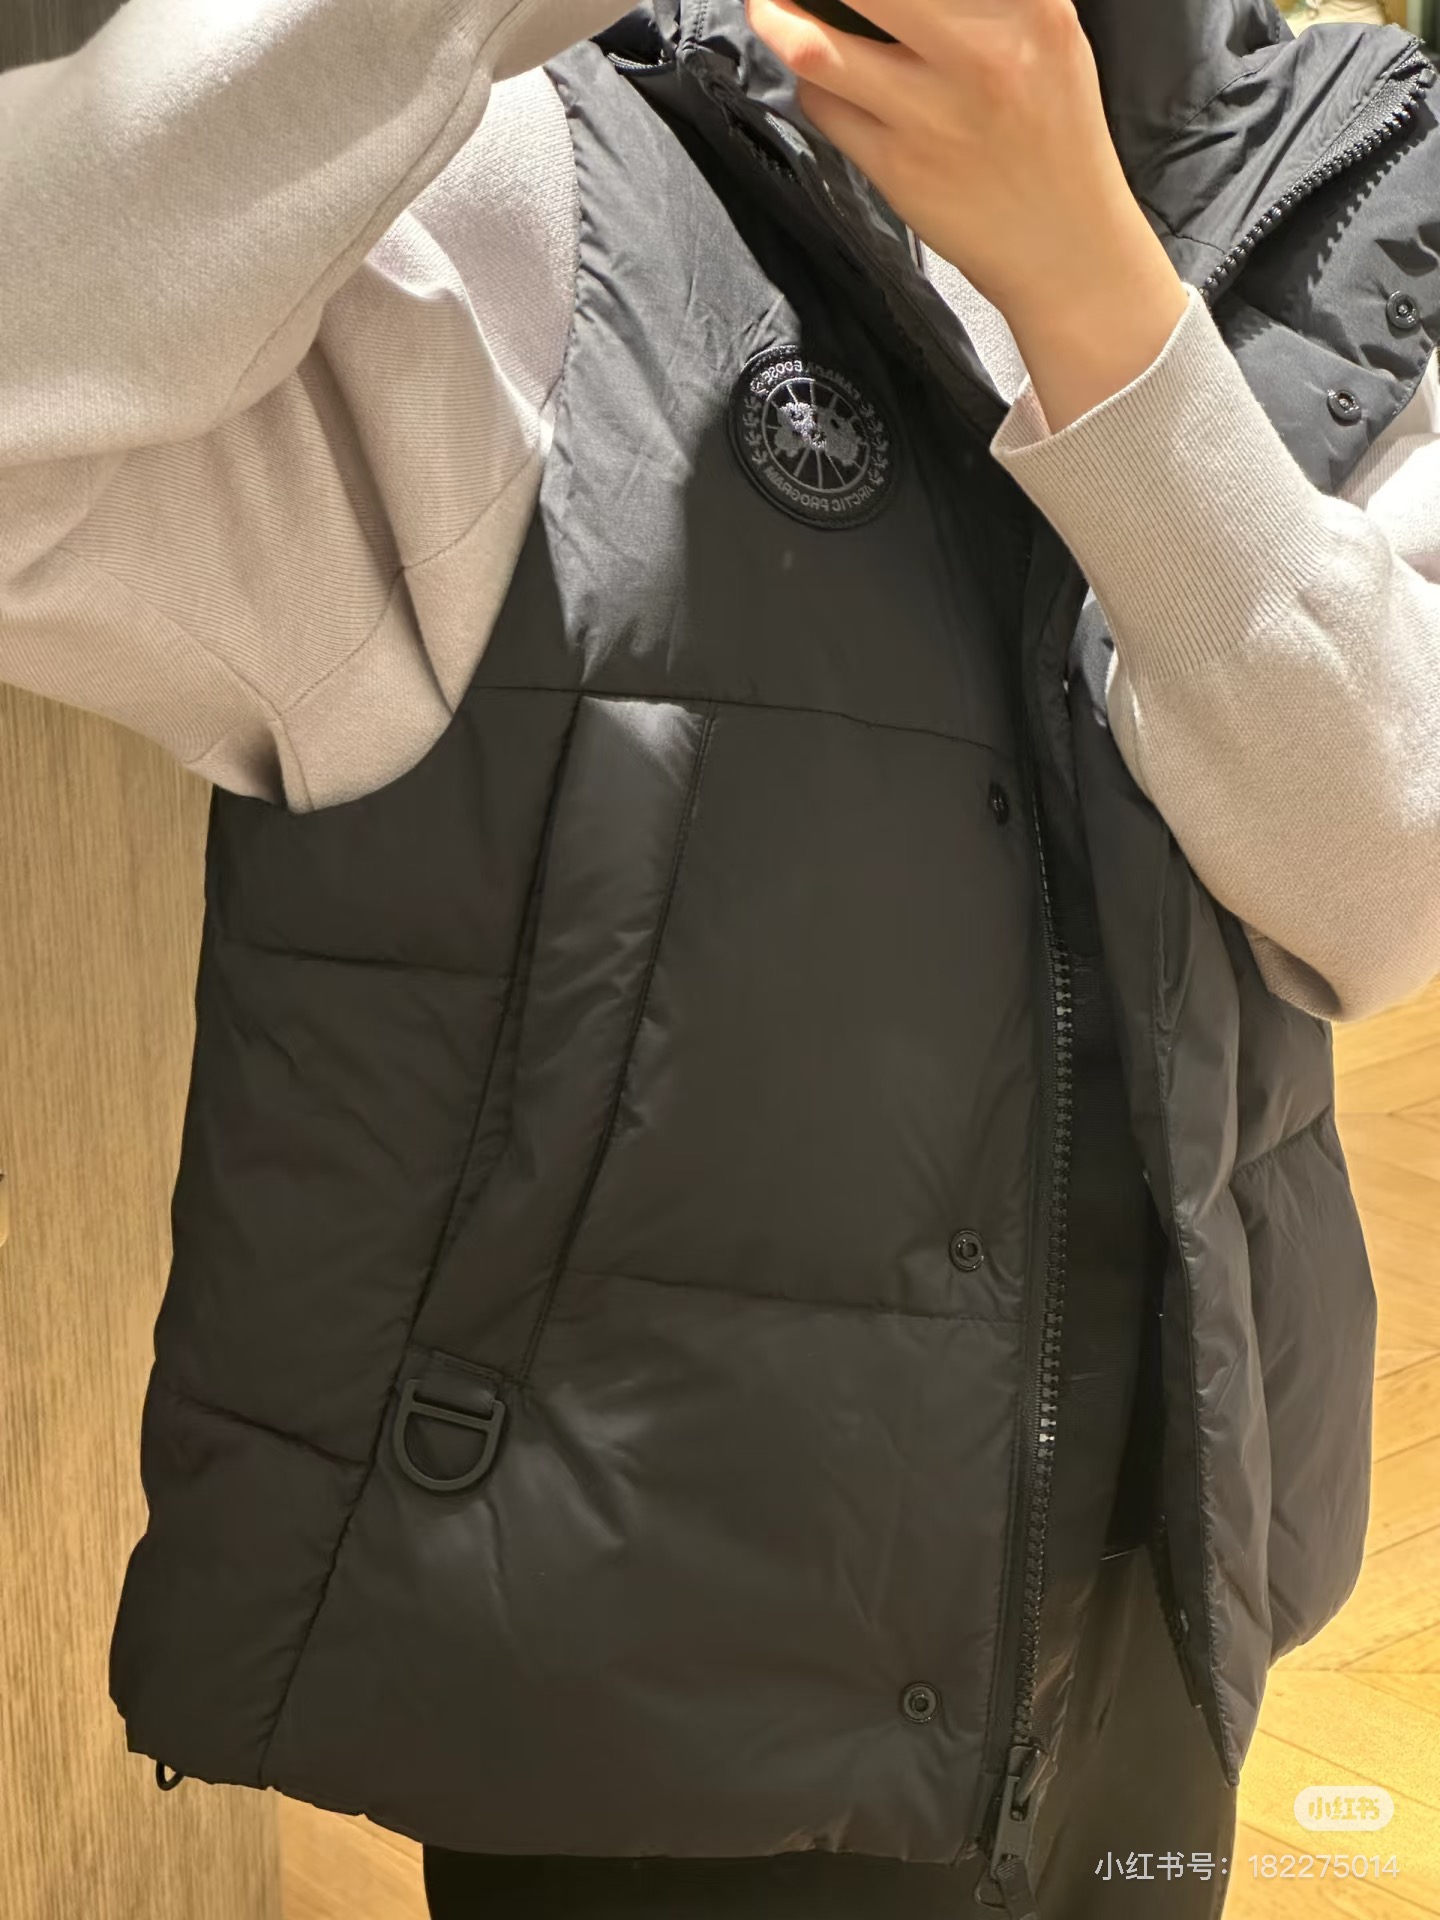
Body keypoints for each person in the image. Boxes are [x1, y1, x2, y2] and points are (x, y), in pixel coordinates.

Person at [2, 0, 1439, 1914]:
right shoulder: (519, 170)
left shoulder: (1354, 170)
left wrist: (1098, 302)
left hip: (1155, 1605)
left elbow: (1383, 888)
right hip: (632, 1671)